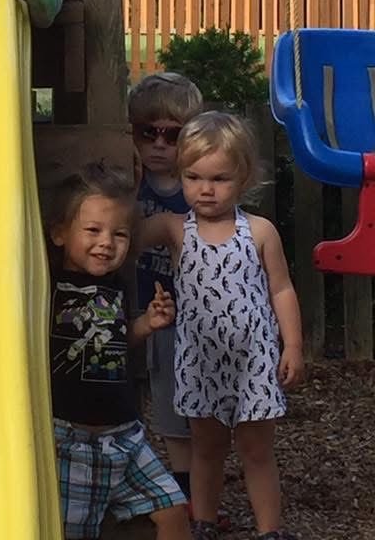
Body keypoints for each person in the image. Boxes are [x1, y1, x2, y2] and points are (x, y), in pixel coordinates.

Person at [142, 111, 305, 540]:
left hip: (254, 361)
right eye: (193, 177)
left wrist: (292, 346)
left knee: (257, 450)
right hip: (201, 363)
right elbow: (126, 231)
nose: (206, 189)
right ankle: (204, 523)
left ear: (243, 178)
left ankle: (270, 530)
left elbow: (281, 290)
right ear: (179, 175)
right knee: (207, 449)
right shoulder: (175, 230)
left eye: (219, 179)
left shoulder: (260, 232)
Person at [46, 163, 192, 540]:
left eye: (120, 234)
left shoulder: (116, 286)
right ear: (60, 233)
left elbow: (114, 341)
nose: (107, 242)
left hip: (125, 435)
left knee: (173, 508)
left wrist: (146, 323)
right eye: (93, 230)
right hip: (71, 440)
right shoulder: (48, 288)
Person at [128, 73, 207, 519]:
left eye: (172, 135)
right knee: (126, 397)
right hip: (129, 305)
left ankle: (187, 492)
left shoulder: (197, 190)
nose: (159, 144)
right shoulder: (125, 183)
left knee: (176, 409)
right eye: (147, 132)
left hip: (179, 316)